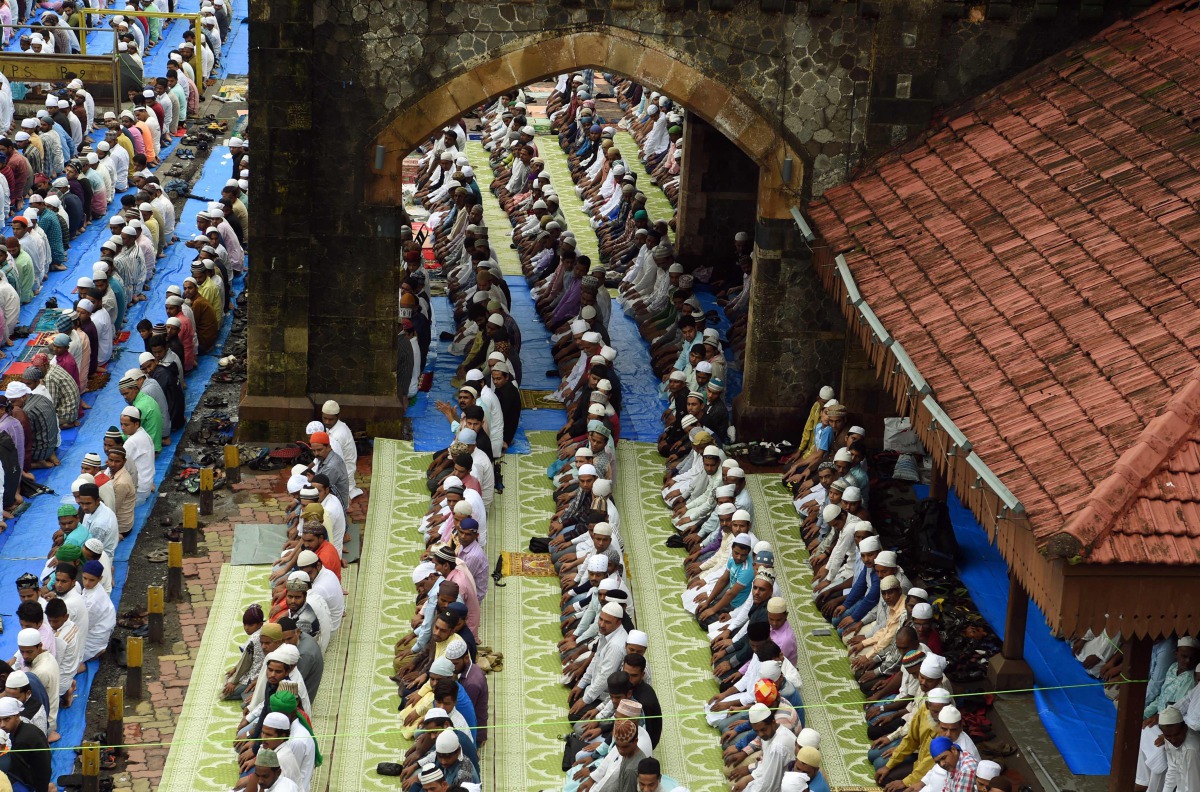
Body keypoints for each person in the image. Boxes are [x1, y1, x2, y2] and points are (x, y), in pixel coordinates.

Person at [0, 695, 51, 792]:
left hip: (35, 785)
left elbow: (18, 772)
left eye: (7, 719)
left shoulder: (22, 740)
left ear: (17, 716)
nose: (2, 725)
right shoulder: (27, 728)